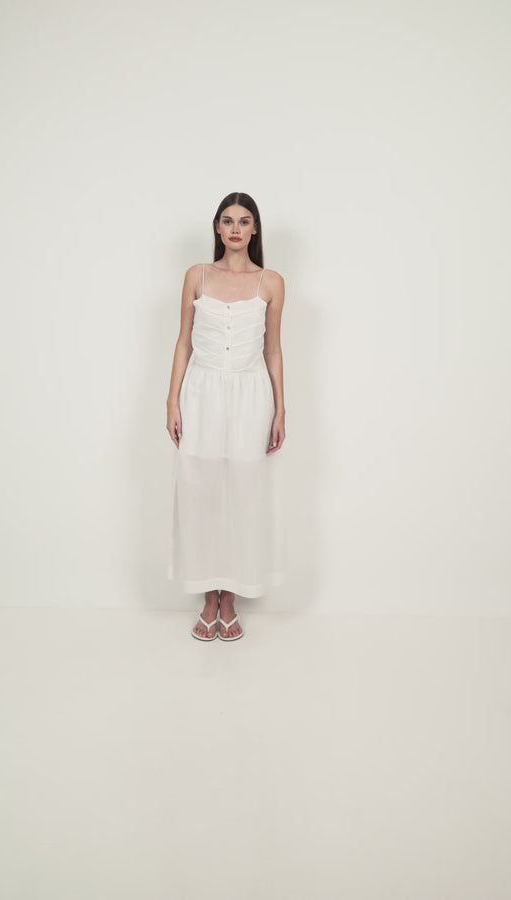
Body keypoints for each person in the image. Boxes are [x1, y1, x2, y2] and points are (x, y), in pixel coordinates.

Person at [166, 191, 286, 641]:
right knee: (202, 491)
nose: (236, 228)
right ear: (217, 227)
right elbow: (184, 341)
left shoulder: (271, 282)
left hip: (251, 395)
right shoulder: (196, 276)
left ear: (255, 230)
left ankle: (230, 597)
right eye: (228, 220)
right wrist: (172, 400)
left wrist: (280, 407)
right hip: (201, 393)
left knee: (244, 491)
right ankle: (208, 596)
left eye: (244, 220)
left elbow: (273, 350)